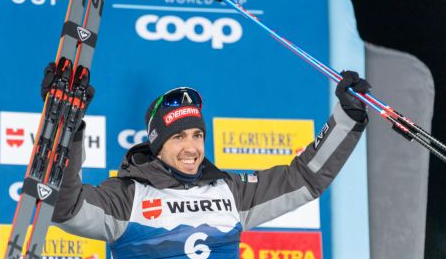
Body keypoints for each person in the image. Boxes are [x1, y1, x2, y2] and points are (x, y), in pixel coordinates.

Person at [51, 70, 371, 259]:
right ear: (157, 145)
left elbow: (305, 179)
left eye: (197, 135)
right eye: (178, 137)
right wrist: (67, 130)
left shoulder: (230, 190)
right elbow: (66, 207)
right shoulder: (126, 196)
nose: (191, 147)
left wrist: (347, 118)